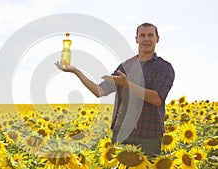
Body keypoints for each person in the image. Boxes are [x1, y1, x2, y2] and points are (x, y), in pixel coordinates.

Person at [55, 23, 175, 158]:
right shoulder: (126, 66)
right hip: (122, 133)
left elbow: (157, 98)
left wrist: (128, 84)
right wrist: (76, 71)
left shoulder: (163, 67)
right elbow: (99, 91)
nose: (146, 39)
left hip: (148, 136)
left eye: (150, 35)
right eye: (142, 35)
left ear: (157, 39)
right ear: (136, 39)